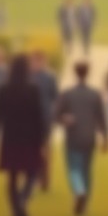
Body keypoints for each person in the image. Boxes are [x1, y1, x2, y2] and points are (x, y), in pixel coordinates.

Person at [0, 55, 50, 216]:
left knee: (12, 177)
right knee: (32, 173)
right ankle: (21, 203)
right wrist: (43, 140)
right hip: (30, 139)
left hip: (11, 139)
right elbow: (39, 117)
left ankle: (16, 209)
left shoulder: (4, 90)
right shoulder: (33, 90)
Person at [53, 61, 108, 216]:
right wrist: (105, 138)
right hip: (89, 137)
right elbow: (102, 118)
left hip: (74, 136)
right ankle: (84, 199)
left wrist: (65, 119)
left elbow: (56, 115)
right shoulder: (95, 94)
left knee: (74, 169)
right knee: (86, 170)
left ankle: (79, 191)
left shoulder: (67, 94)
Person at [30, 50, 60, 190]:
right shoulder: (27, 76)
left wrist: (54, 113)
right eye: (34, 61)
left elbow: (55, 96)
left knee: (46, 150)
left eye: (39, 61)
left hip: (45, 118)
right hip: (30, 118)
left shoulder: (50, 77)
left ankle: (45, 179)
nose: (36, 64)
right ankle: (34, 177)